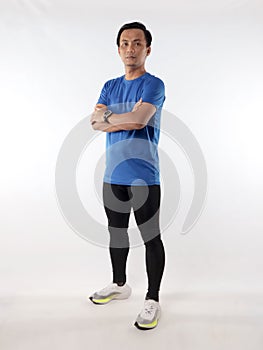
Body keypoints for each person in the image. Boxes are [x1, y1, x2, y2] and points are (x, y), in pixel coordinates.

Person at [89, 22, 166, 330]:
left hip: (144, 176)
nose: (130, 49)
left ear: (147, 49)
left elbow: (139, 121)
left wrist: (112, 118)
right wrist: (120, 118)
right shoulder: (109, 85)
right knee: (116, 233)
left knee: (151, 238)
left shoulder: (153, 84)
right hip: (113, 175)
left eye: (137, 43)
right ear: (118, 48)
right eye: (124, 43)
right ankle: (120, 285)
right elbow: (94, 122)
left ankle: (153, 299)